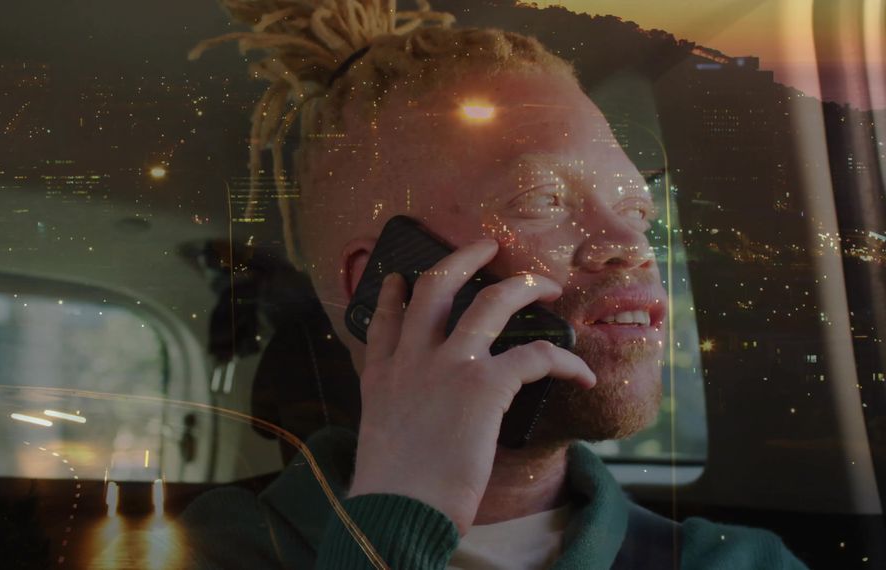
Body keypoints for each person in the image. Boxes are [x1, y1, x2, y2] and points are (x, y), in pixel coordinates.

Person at [181, 1, 808, 568]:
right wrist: (397, 522)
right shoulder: (207, 553)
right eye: (543, 199)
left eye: (637, 209)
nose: (631, 246)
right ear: (385, 285)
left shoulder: (739, 564)